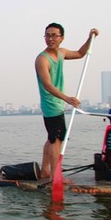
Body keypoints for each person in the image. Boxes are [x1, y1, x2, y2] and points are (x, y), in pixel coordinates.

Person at [35, 22, 99, 180]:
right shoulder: (42, 59)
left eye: (54, 36)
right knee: (57, 141)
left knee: (52, 137)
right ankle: (57, 177)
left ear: (61, 38)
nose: (50, 39)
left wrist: (90, 38)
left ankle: (45, 171)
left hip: (58, 103)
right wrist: (67, 98)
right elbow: (47, 85)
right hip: (51, 104)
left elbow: (80, 53)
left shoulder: (62, 53)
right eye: (47, 35)